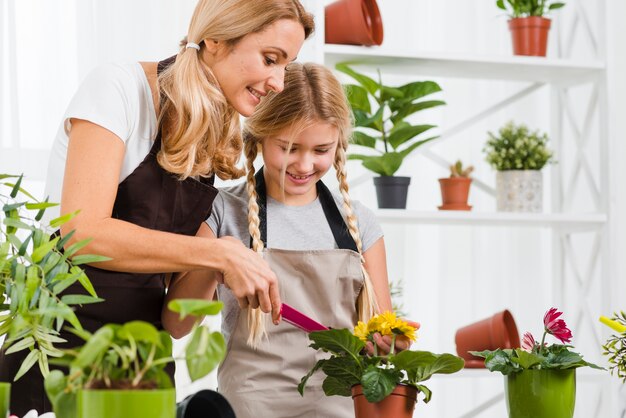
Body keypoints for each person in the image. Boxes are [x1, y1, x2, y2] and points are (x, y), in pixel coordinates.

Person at [0, 1, 314, 415]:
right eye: (270, 59)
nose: (278, 82)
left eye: (286, 66)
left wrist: (224, 258)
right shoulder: (118, 88)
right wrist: (216, 252)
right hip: (57, 353)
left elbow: (177, 323)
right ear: (216, 39)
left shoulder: (210, 138)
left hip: (142, 359)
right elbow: (82, 234)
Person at [163, 62, 419, 418]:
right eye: (289, 147)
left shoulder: (360, 224)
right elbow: (177, 324)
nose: (303, 164)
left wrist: (391, 342)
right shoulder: (221, 211)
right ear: (259, 137)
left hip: (340, 405)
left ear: (339, 145)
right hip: (251, 404)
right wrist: (220, 257)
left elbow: (380, 337)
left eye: (320, 150)